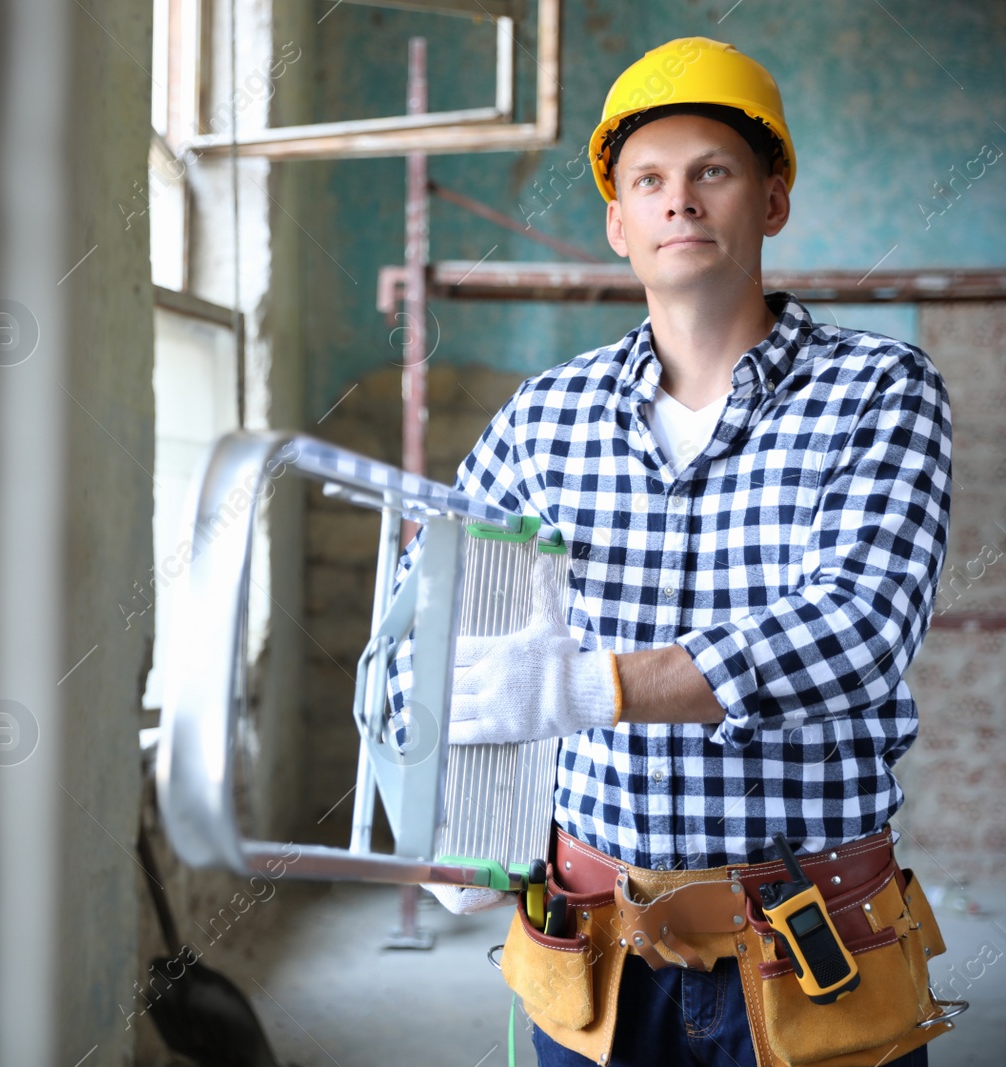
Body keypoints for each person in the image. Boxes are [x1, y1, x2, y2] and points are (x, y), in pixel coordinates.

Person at [393, 37, 956, 1067]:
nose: (678, 202)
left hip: (809, 948)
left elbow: (859, 628)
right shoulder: (542, 417)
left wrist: (591, 686)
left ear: (771, 200)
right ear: (616, 224)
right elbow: (438, 617)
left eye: (713, 173)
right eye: (647, 181)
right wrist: (454, 817)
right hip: (594, 944)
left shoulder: (880, 389)